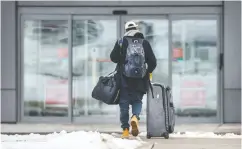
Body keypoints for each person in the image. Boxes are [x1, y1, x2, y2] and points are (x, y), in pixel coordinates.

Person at [110, 21, 157, 138]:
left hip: (124, 78)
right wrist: (147, 71)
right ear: (137, 29)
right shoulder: (145, 43)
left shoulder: (122, 42)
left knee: (124, 103)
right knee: (137, 100)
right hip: (140, 78)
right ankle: (135, 117)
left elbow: (113, 58)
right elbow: (153, 62)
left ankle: (125, 130)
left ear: (126, 30)